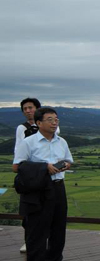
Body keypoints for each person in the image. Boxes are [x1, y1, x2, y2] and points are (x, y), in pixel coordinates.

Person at [12, 107, 73, 261]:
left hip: (58, 187)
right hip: (38, 191)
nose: (55, 122)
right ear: (39, 123)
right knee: (37, 230)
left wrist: (65, 165)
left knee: (58, 227)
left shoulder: (62, 141)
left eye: (56, 119)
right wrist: (44, 167)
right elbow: (17, 166)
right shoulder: (28, 142)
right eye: (50, 119)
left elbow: (69, 160)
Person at [14, 98, 60, 253]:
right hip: (31, 176)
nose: (28, 111)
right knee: (31, 214)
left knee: (52, 216)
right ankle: (29, 243)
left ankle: (47, 250)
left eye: (31, 108)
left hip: (50, 178)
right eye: (25, 109)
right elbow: (18, 150)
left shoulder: (53, 128)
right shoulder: (22, 128)